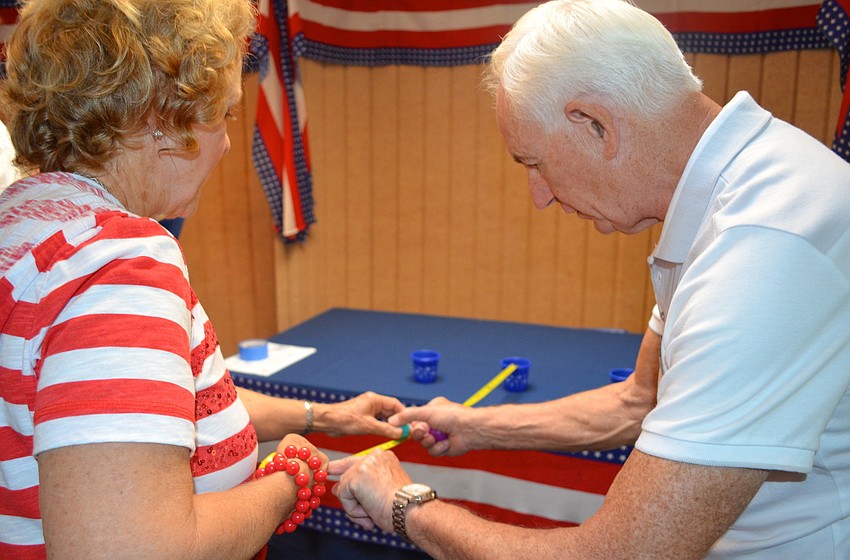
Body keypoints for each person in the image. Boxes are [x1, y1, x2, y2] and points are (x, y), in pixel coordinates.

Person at [330, 0, 850, 558]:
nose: (540, 196)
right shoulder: (720, 196)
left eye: (533, 162)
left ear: (596, 124)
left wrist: (404, 506)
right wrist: (478, 426)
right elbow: (638, 400)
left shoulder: (761, 247)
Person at [0, 1, 407, 559]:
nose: (228, 143)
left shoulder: (25, 232)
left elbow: (144, 405)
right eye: (225, 116)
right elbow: (133, 550)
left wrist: (324, 417)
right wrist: (289, 479)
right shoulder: (118, 268)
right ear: (162, 122)